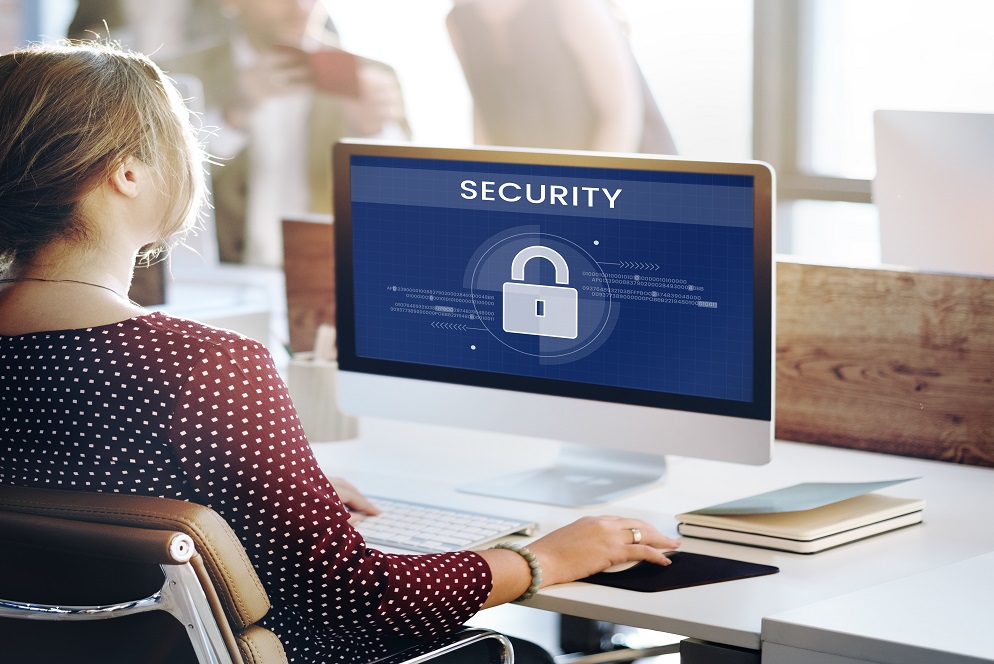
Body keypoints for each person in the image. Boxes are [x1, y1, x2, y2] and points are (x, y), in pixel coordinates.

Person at [0, 42, 680, 664]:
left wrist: (279, 485)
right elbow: (356, 597)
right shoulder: (203, 368)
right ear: (126, 175)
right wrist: (545, 560)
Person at [159, 0, 409, 267]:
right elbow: (159, 187)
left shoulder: (370, 74)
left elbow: (404, 196)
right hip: (218, 272)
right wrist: (230, 118)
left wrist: (372, 131)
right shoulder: (175, 74)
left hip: (329, 269)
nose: (302, 7)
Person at [447, 0, 677, 154]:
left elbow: (621, 114)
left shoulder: (571, 5)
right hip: (546, 189)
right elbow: (485, 109)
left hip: (625, 173)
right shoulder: (459, 20)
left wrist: (585, 198)